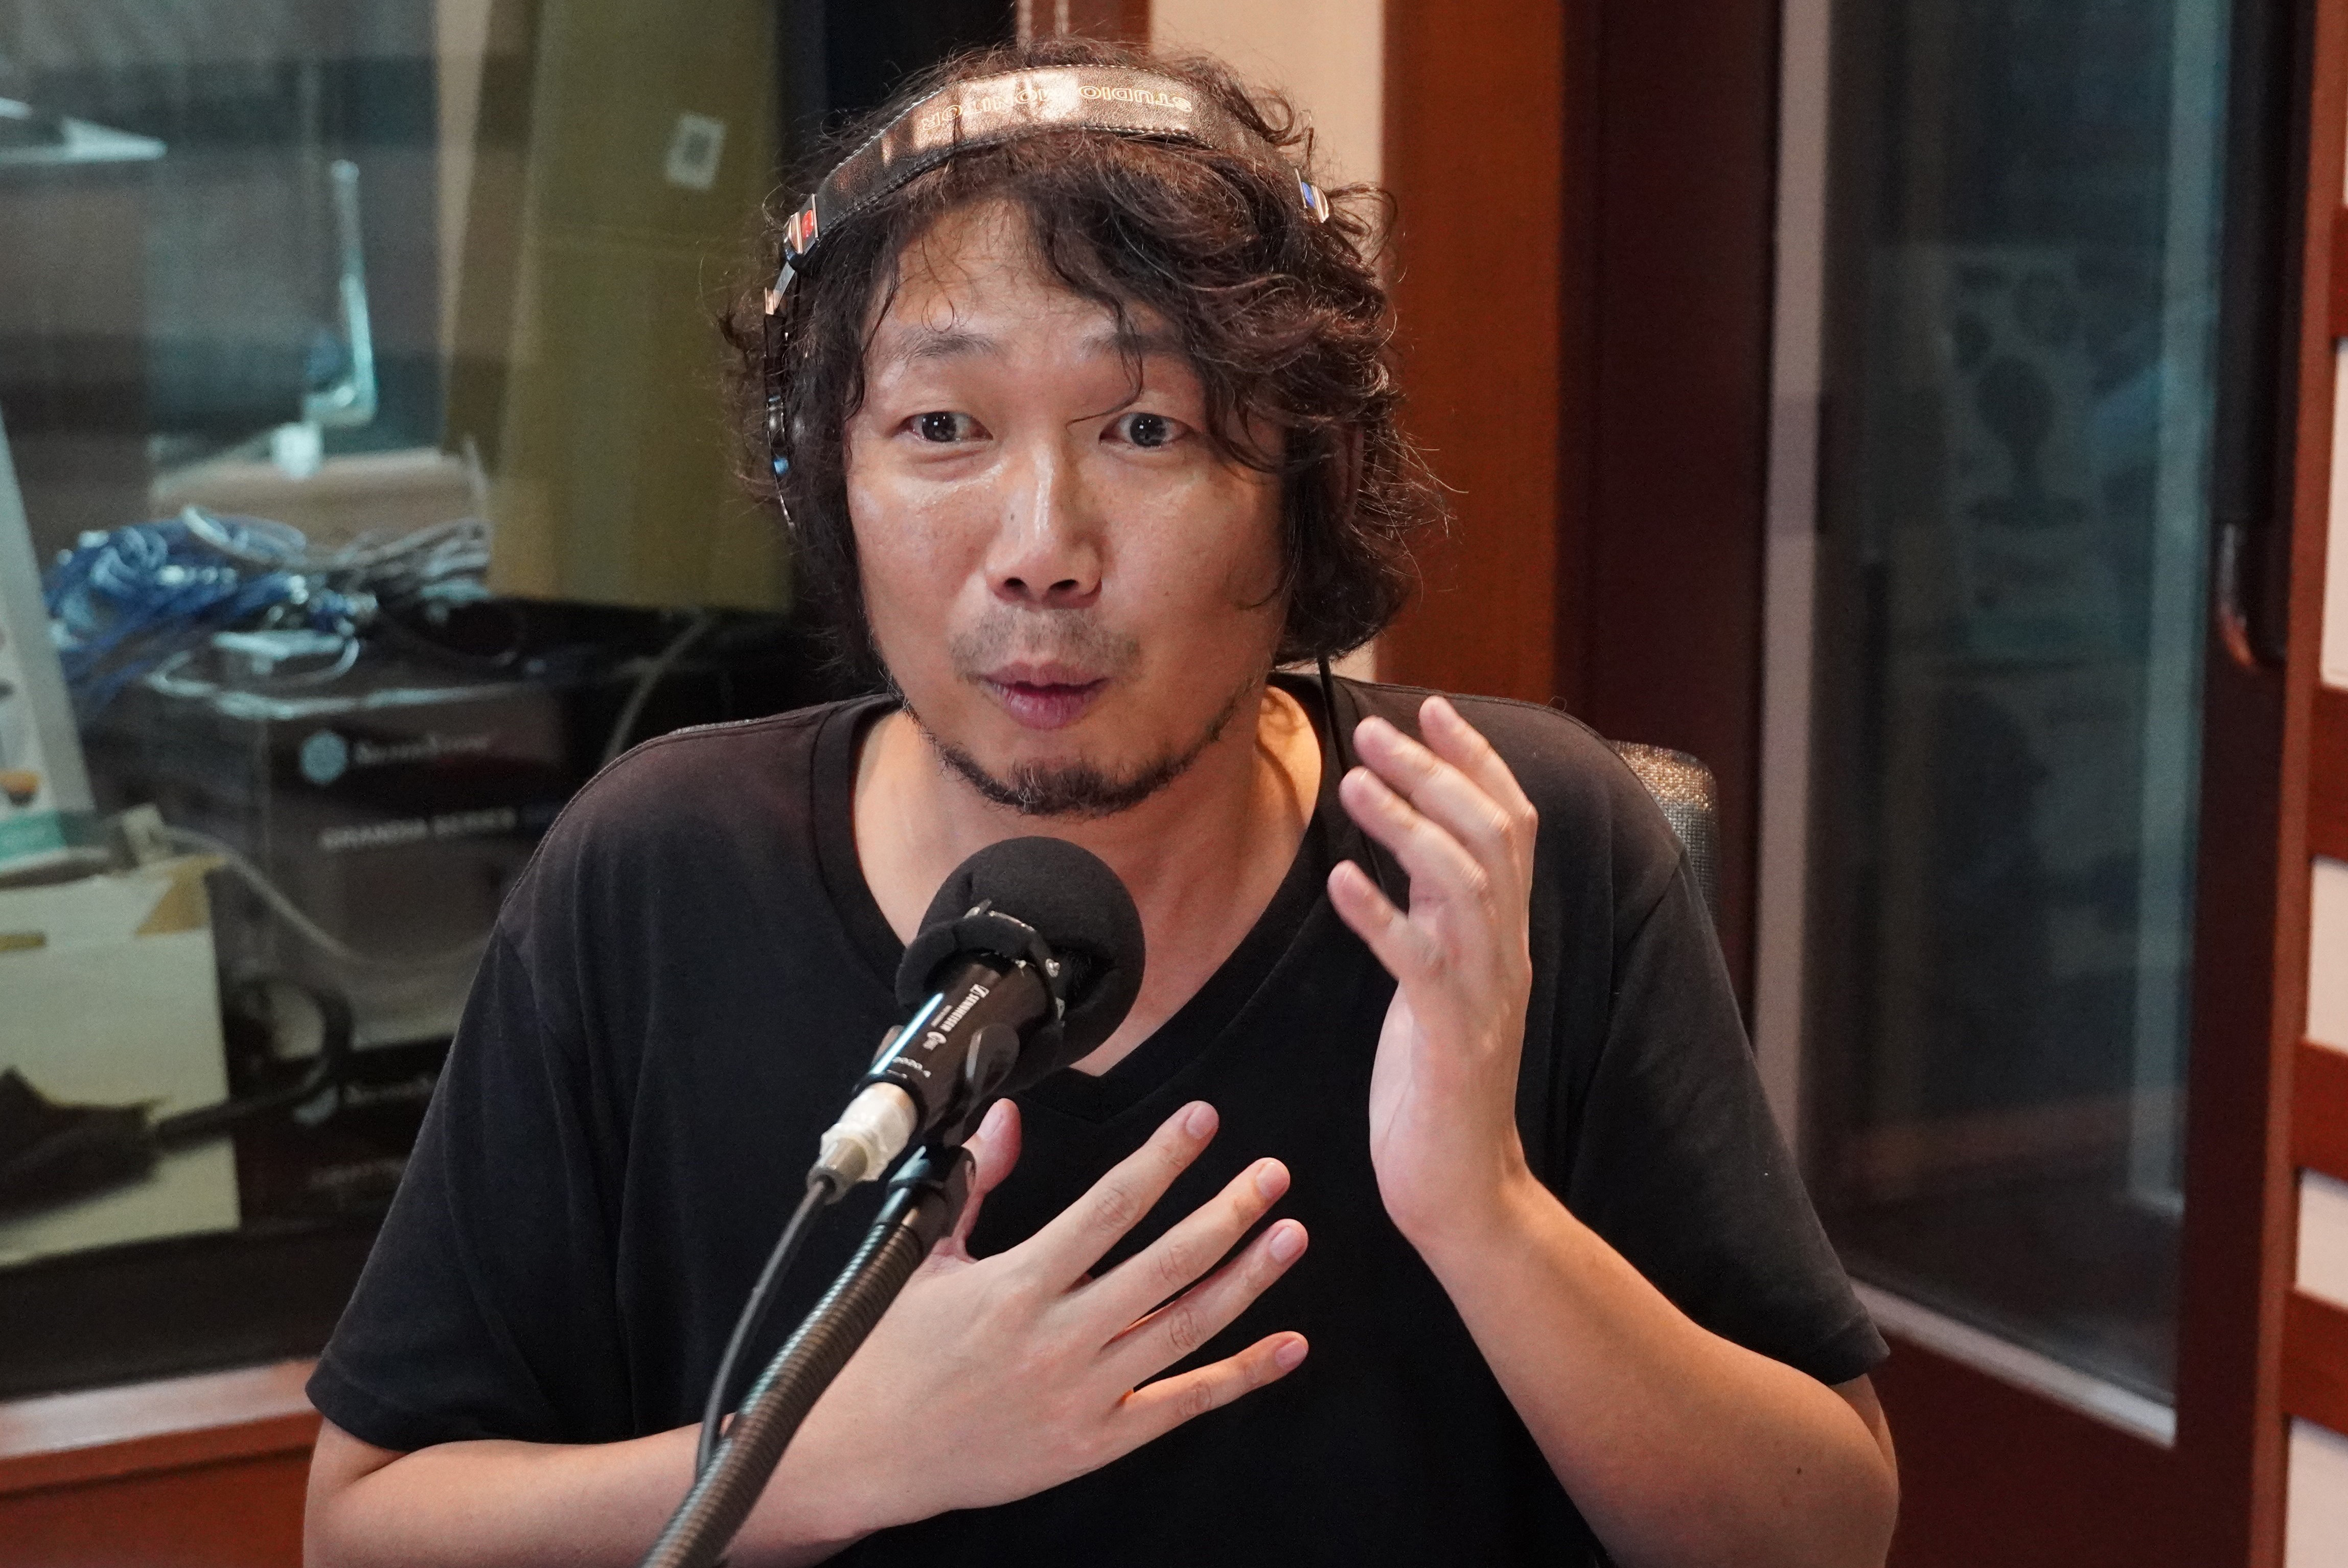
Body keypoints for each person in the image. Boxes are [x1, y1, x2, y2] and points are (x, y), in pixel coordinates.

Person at [302, 36, 1898, 1568]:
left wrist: (1487, 1217)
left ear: (1304, 487)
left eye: (1146, 428)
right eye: (942, 428)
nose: (1040, 550)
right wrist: (817, 1459)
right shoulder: (657, 878)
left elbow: (1822, 1532)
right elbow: (367, 1526)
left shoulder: (1498, 849)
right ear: (823, 481)